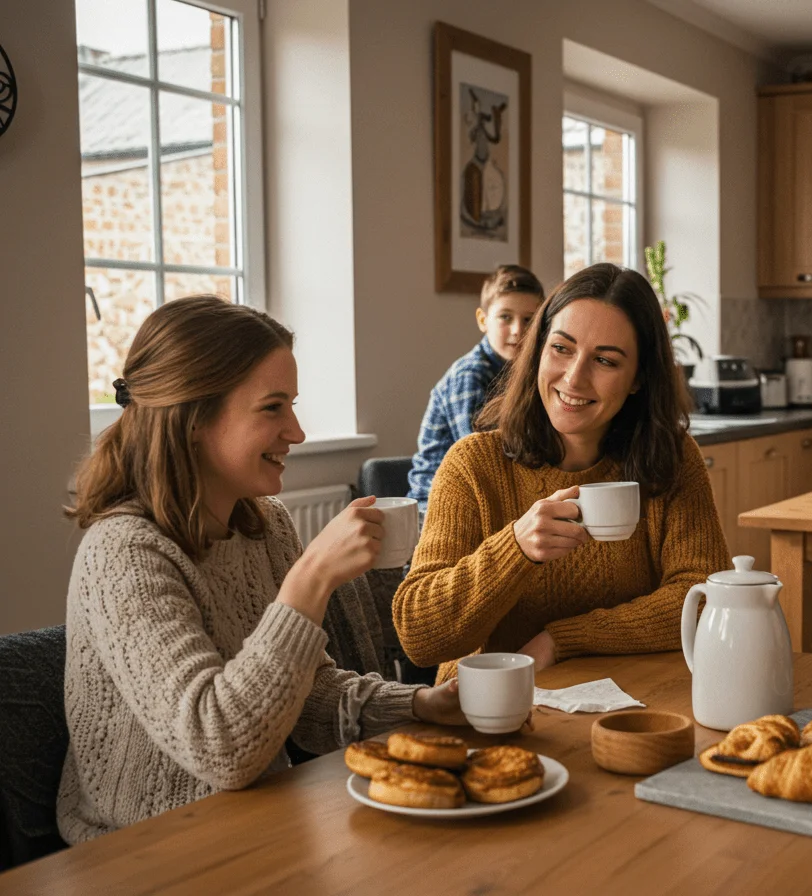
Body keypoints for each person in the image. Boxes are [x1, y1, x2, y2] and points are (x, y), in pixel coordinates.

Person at [59, 296, 464, 843]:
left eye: (292, 406)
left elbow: (305, 699)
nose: (295, 431)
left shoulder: (265, 526)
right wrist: (311, 579)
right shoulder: (123, 553)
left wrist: (421, 705)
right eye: (273, 408)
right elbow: (222, 748)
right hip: (140, 851)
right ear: (194, 418)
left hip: (258, 824)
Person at [393, 263, 731, 679]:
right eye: (561, 348)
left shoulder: (671, 459)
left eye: (605, 360)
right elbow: (420, 637)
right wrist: (515, 549)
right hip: (492, 714)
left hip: (634, 704)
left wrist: (560, 640)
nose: (574, 378)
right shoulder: (473, 466)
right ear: (538, 350)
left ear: (638, 378)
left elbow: (704, 597)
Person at [407, 264, 545, 514]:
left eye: (529, 319)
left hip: (483, 493)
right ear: (483, 320)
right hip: (437, 504)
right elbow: (479, 458)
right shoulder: (469, 376)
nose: (518, 329)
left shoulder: (527, 371)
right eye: (505, 317)